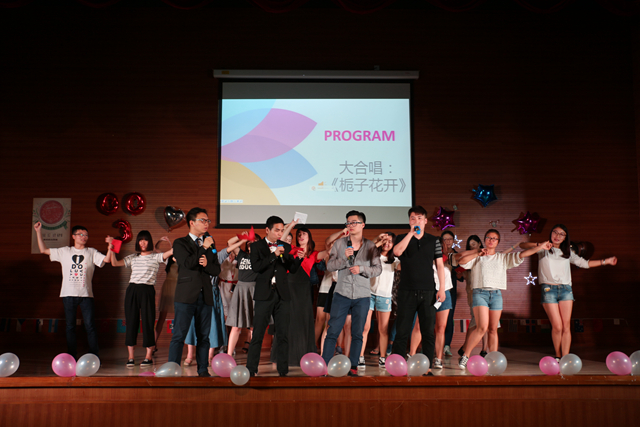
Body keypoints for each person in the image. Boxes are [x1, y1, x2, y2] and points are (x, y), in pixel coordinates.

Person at [519, 224, 617, 360]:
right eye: (555, 232)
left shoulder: (568, 252)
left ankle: (565, 357)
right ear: (551, 234)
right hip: (548, 290)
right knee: (557, 326)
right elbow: (522, 245)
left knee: (566, 326)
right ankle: (558, 355)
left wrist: (606, 261)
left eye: (561, 234)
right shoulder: (543, 249)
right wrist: (540, 245)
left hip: (565, 290)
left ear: (565, 238)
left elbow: (585, 264)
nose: (557, 236)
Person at [457, 229, 551, 369]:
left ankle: (493, 359)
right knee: (482, 327)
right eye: (489, 237)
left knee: (493, 329)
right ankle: (465, 355)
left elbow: (523, 254)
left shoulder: (502, 257)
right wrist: (477, 253)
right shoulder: (478, 256)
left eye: (494, 238)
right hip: (480, 293)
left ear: (498, 242)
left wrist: (540, 246)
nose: (491, 240)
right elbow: (461, 262)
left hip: (496, 295)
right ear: (485, 240)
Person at [33, 222, 111, 359]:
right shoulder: (65, 251)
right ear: (73, 236)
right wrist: (38, 231)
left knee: (90, 325)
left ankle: (94, 354)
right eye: (81, 234)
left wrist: (110, 247)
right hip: (68, 294)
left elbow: (107, 260)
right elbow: (43, 250)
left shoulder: (91, 252)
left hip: (86, 295)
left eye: (86, 235)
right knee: (70, 326)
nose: (84, 237)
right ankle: (71, 355)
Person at [321, 210, 382, 376]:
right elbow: (330, 266)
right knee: (333, 331)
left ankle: (353, 367)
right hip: (342, 293)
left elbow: (378, 269)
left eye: (354, 222)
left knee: (357, 333)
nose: (350, 225)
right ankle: (325, 367)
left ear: (363, 225)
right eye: (348, 222)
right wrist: (343, 259)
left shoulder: (370, 246)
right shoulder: (340, 244)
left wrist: (361, 269)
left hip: (362, 296)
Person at [391, 206, 446, 373]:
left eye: (419, 218)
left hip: (428, 291)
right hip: (406, 291)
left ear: (425, 221)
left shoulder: (434, 240)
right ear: (409, 221)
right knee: (402, 330)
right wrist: (410, 234)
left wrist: (442, 289)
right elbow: (396, 252)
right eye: (413, 218)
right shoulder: (402, 237)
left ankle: (427, 366)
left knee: (428, 331)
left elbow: (440, 266)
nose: (416, 221)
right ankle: (398, 366)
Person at [246, 216, 302, 377]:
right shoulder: (256, 246)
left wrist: (299, 259)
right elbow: (256, 267)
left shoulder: (285, 246)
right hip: (264, 294)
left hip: (282, 294)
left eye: (282, 230)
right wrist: (274, 255)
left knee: (283, 334)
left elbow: (291, 269)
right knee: (258, 334)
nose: (280, 233)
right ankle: (251, 369)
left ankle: (283, 371)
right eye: (277, 230)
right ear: (267, 230)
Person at [168, 207, 221, 377]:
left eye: (208, 221)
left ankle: (203, 370)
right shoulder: (180, 243)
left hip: (205, 296)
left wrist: (207, 263)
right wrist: (203, 248)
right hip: (186, 295)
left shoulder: (210, 243)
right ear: (191, 223)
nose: (206, 224)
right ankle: (172, 370)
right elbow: (187, 264)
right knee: (179, 335)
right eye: (202, 220)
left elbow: (216, 269)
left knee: (204, 336)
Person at [107, 231, 173, 367]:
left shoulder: (156, 257)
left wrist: (168, 242)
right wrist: (111, 248)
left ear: (150, 242)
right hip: (132, 290)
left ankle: (148, 356)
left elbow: (172, 252)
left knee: (148, 322)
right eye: (140, 240)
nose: (142, 242)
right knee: (131, 322)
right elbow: (114, 263)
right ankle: (131, 357)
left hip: (147, 290)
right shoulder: (133, 257)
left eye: (145, 240)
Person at [183, 235, 246, 365]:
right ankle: (189, 354)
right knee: (192, 322)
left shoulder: (216, 257)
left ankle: (210, 354)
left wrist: (242, 240)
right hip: (194, 291)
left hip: (211, 291)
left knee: (212, 322)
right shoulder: (194, 256)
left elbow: (229, 248)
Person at [271, 227, 327, 367]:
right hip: (289, 287)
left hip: (304, 290)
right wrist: (290, 225)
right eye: (299, 234)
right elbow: (280, 241)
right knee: (288, 320)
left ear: (309, 237)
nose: (301, 236)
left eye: (304, 234)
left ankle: (303, 355)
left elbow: (329, 252)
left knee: (303, 321)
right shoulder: (292, 249)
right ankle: (285, 356)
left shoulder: (313, 254)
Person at [359, 232, 397, 369]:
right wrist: (378, 240)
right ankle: (360, 356)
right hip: (368, 294)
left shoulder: (395, 260)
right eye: (385, 240)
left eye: (390, 241)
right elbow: (366, 250)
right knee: (365, 327)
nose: (387, 243)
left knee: (383, 329)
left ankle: (382, 357)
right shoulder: (373, 256)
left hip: (384, 296)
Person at [226, 233, 261, 357]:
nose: (251, 243)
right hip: (240, 290)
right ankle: (229, 355)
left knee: (253, 326)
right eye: (250, 241)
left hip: (254, 289)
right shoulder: (242, 254)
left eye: (254, 241)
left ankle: (253, 355)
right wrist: (242, 238)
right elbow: (230, 243)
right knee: (236, 326)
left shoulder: (261, 257)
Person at [441, 230, 463, 358]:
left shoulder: (457, 255)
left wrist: (459, 273)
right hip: (436, 290)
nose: (447, 242)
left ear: (453, 241)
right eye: (445, 239)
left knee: (449, 318)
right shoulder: (436, 253)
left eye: (450, 239)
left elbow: (461, 276)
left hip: (450, 291)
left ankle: (447, 346)